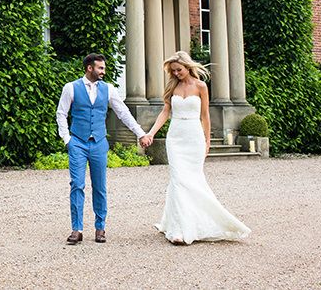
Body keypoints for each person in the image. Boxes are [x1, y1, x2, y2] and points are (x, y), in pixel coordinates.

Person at [143, 50, 251, 244]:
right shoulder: (172, 87)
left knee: (193, 180)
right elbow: (165, 112)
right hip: (175, 136)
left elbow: (205, 116)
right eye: (173, 71)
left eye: (179, 70)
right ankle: (179, 229)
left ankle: (197, 223)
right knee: (178, 179)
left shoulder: (201, 86)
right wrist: (151, 133)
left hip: (194, 137)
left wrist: (207, 140)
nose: (176, 73)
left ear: (187, 66)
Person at [56, 53, 152, 245]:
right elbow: (61, 113)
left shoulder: (108, 89)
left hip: (99, 143)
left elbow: (123, 112)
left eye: (104, 68)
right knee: (77, 184)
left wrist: (140, 133)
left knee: (100, 187)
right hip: (78, 143)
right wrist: (67, 140)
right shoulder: (71, 88)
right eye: (100, 68)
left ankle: (100, 228)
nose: (103, 71)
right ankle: (77, 229)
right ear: (89, 68)